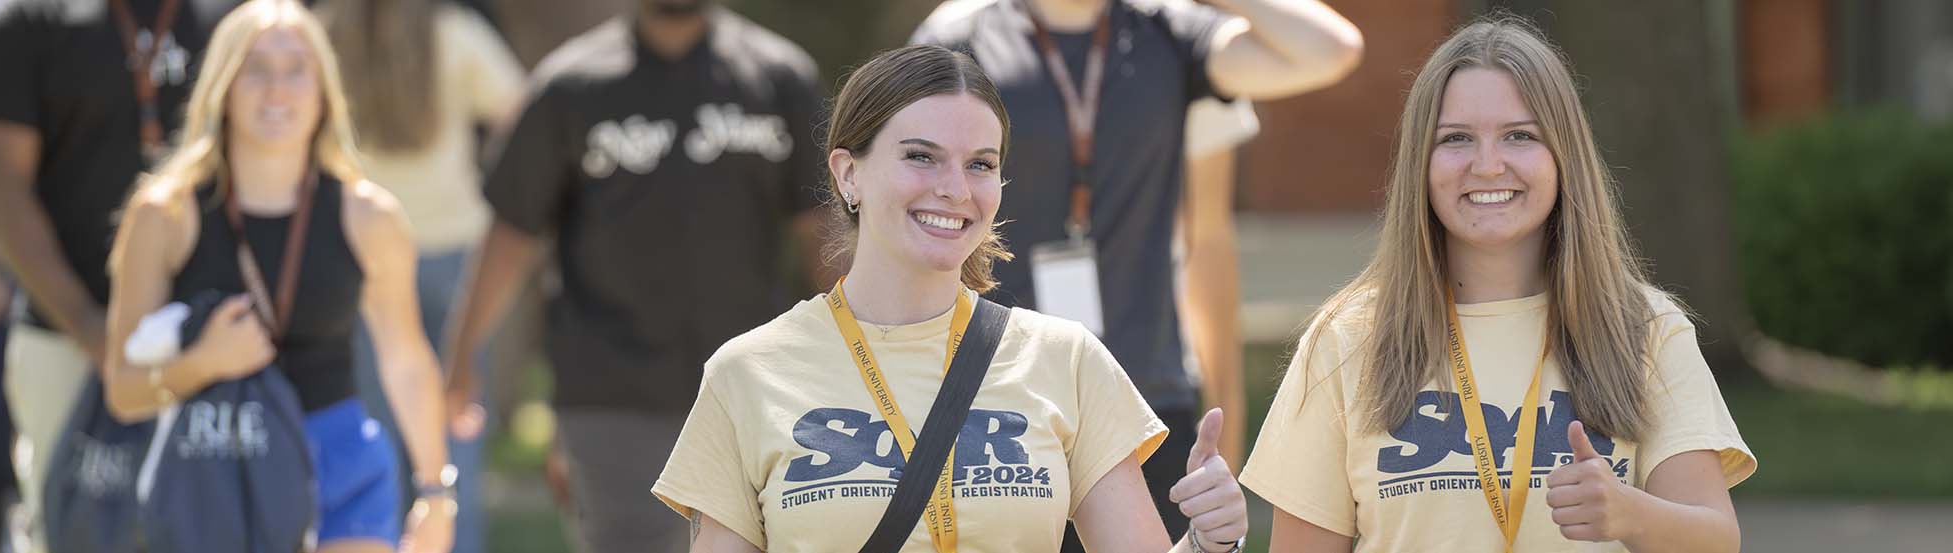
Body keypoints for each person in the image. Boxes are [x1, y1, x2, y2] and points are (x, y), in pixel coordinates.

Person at [653, 44, 1250, 553]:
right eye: (921, 156)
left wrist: (1208, 540)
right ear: (848, 174)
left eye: (980, 165)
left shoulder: (1065, 360)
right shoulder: (746, 373)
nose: (955, 189)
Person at [1238, 16, 1755, 553]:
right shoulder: (1346, 341)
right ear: (1420, 161)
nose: (1488, 166)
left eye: (1519, 136)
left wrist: (1630, 514)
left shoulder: (1645, 329)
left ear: (1564, 157)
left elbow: (1715, 540)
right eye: (1457, 139)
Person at [908, 2, 1360, 546]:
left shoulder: (1168, 29)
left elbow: (1331, 51)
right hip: (994, 401)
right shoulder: (964, 33)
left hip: (1145, 401)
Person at [439, 0, 828, 550]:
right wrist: (460, 363)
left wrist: (860, 350)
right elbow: (512, 232)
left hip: (755, 394)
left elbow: (824, 232)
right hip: (611, 397)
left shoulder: (779, 78)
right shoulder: (570, 87)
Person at [101, 1, 458, 551]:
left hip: (340, 466)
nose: (278, 88)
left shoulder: (370, 216)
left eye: (297, 69)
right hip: (218, 470)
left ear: (324, 91)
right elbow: (123, 391)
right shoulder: (164, 215)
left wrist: (436, 493)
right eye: (256, 69)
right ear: (222, 84)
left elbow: (406, 361)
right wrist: (204, 363)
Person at [0, 0, 236, 548]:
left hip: (213, 343)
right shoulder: (32, 20)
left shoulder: (232, 14)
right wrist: (93, 329)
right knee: (73, 528)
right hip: (65, 343)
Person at [315, 1, 524, 549]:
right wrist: (488, 179)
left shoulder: (326, 31)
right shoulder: (455, 32)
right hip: (456, 255)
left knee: (377, 433)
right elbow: (521, 113)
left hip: (361, 256)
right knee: (458, 437)